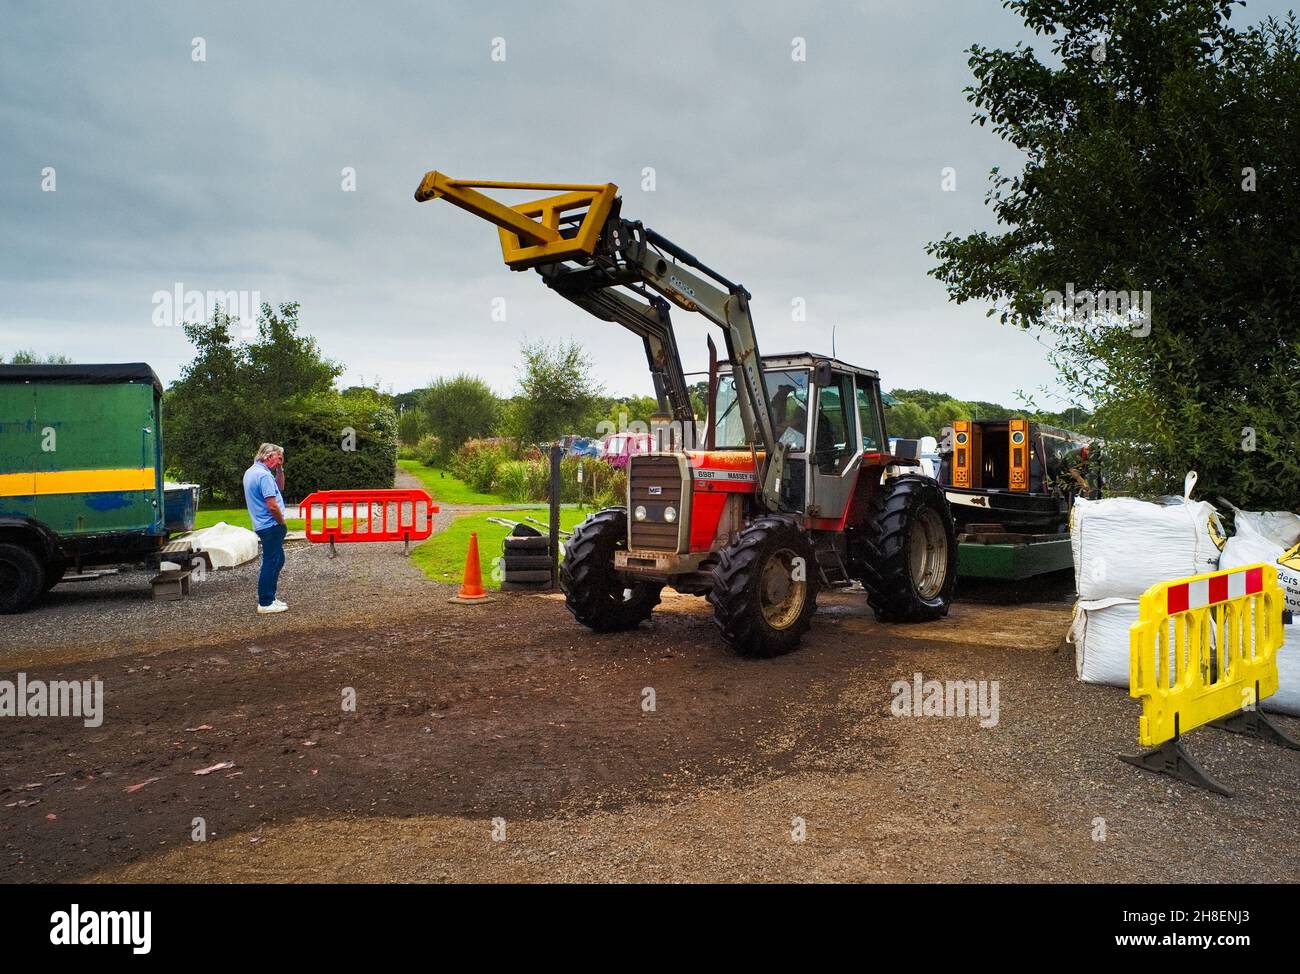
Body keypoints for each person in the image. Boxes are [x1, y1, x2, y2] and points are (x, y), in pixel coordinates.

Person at [243, 443, 289, 614]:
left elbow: (280, 487)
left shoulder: (252, 472)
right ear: (269, 457)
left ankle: (270, 597)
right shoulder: (263, 476)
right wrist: (281, 523)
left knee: (278, 559)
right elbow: (272, 506)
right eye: (278, 457)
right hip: (271, 525)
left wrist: (280, 469)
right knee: (271, 562)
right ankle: (265, 602)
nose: (280, 460)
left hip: (263, 525)